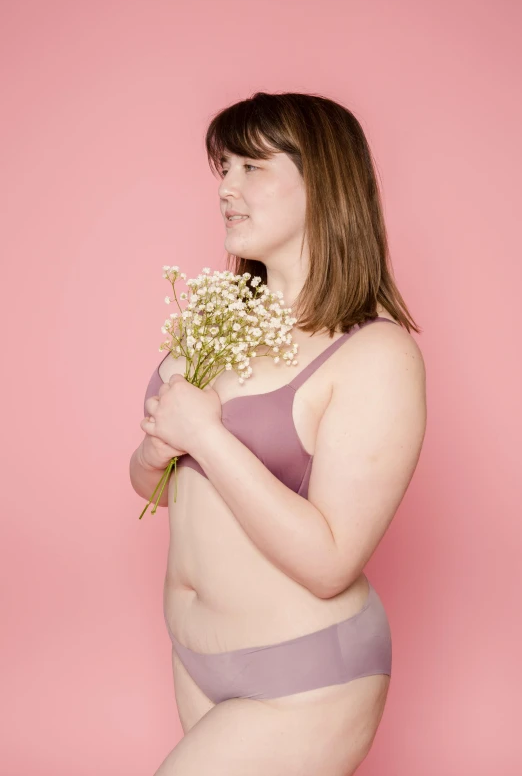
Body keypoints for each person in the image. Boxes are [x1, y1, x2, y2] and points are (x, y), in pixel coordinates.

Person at [129, 91, 427, 775]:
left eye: (250, 167)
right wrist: (157, 448)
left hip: (306, 672)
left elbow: (330, 560)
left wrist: (205, 436)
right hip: (196, 657)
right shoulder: (218, 322)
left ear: (322, 181)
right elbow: (154, 482)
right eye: (223, 168)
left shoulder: (376, 354)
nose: (226, 188)